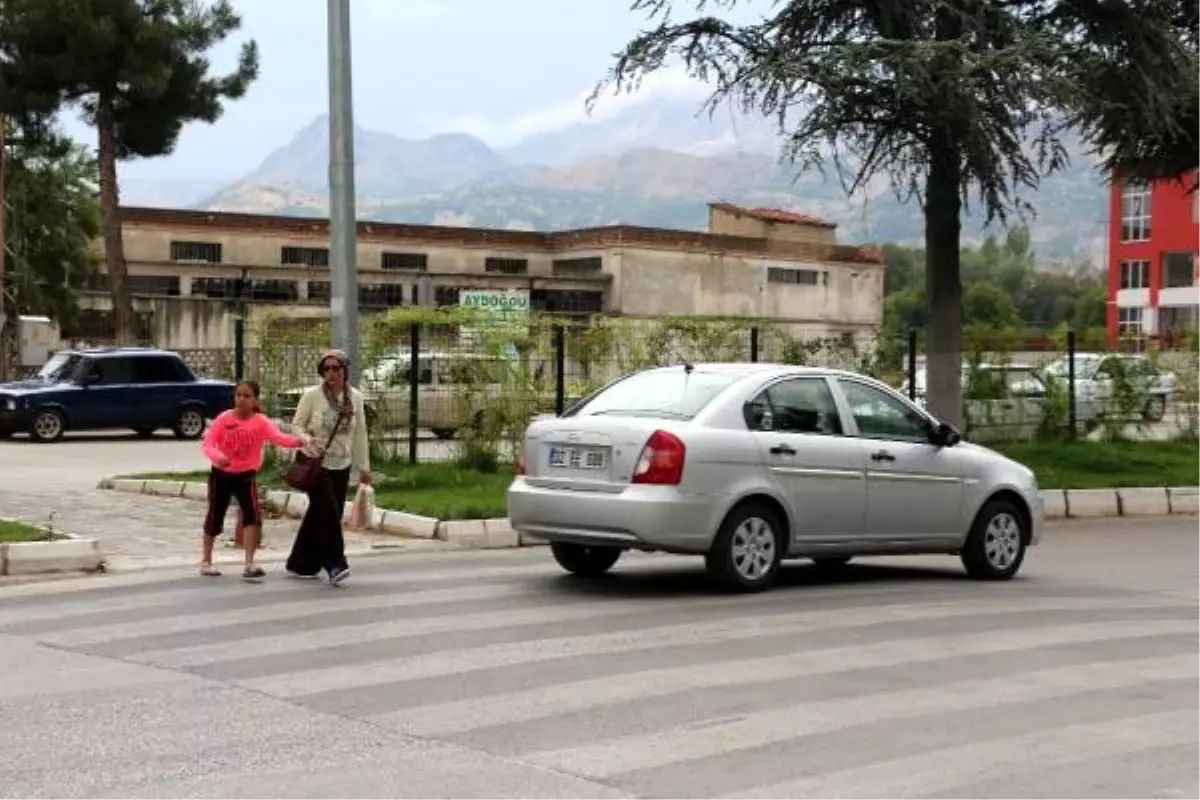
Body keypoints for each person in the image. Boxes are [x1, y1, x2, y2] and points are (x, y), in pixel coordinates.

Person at [200, 380, 308, 581]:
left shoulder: (260, 421)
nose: (241, 399)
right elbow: (208, 444)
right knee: (215, 515)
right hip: (221, 476)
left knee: (253, 516)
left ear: (255, 399)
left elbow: (280, 438)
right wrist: (218, 458)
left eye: (247, 396)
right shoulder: (224, 419)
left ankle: (249, 563)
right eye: (238, 395)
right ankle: (206, 560)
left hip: (246, 476)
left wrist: (302, 441)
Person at [285, 349, 371, 585]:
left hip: (341, 464)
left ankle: (301, 562)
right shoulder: (313, 396)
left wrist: (364, 466)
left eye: (336, 368)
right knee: (330, 514)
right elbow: (296, 426)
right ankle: (335, 563)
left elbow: (360, 432)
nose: (331, 373)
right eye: (327, 369)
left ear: (345, 370)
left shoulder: (355, 398)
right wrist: (306, 440)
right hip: (315, 462)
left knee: (319, 513)